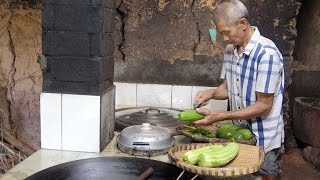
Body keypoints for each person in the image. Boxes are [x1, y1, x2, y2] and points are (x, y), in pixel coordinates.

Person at [193, 0, 284, 179]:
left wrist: (220, 116)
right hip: (238, 133)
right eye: (221, 34)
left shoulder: (267, 54)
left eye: (227, 33)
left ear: (243, 24)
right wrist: (211, 93)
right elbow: (228, 89)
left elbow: (263, 106)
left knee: (264, 175)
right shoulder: (230, 50)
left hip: (262, 137)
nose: (225, 39)